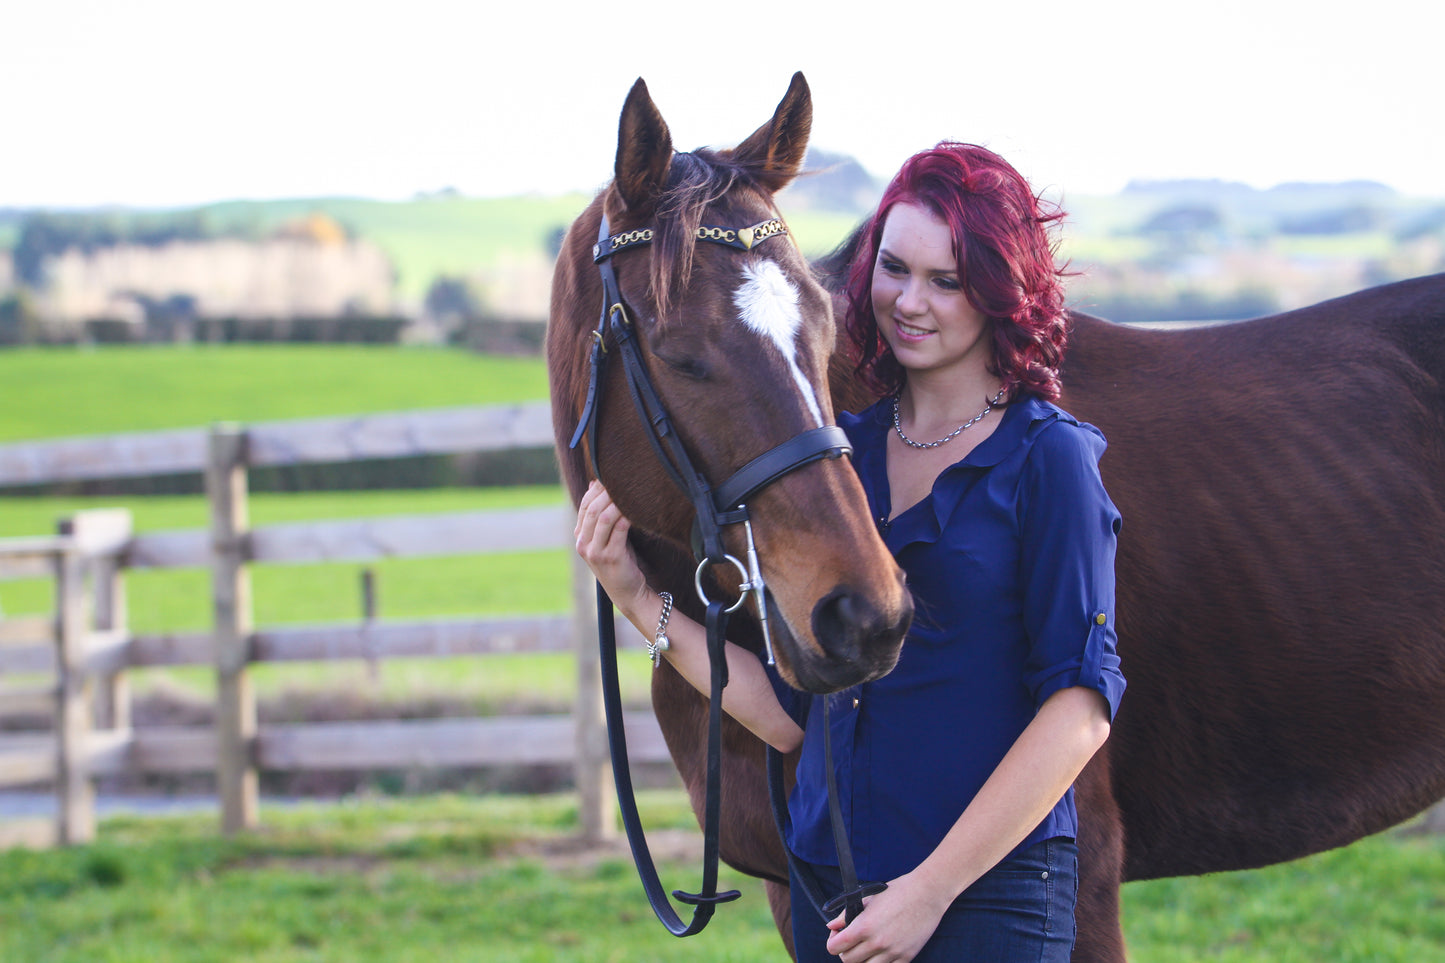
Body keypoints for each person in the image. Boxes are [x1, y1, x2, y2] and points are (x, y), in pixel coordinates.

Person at [575, 142, 1124, 963]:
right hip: (829, 897)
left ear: (1000, 291)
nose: (910, 301)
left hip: (984, 901)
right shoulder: (843, 461)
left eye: (947, 280)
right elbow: (792, 719)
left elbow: (1078, 710)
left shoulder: (1049, 458)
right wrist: (632, 594)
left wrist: (927, 893)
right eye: (894, 268)